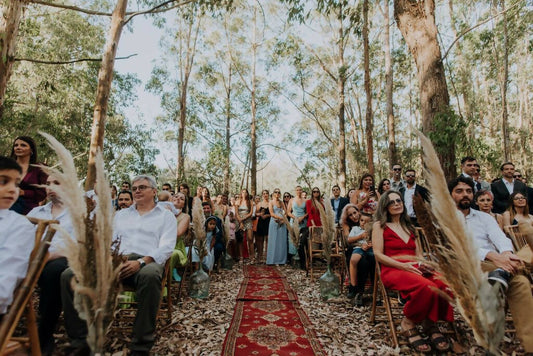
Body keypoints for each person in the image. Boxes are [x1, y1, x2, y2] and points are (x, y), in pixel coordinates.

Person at [61, 175, 177, 355]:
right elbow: (107, 242)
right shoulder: (120, 215)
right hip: (115, 260)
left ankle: (140, 345)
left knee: (151, 275)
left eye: (142, 187)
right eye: (134, 187)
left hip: (146, 261)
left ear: (154, 191)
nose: (137, 190)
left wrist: (140, 262)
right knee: (70, 275)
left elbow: (167, 247)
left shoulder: (166, 216)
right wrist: (109, 259)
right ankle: (80, 341)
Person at [449, 176, 533, 353]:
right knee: (509, 274)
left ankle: (531, 346)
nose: (465, 194)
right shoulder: (444, 217)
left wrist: (507, 255)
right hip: (466, 264)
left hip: (497, 264)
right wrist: (493, 256)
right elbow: (459, 245)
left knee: (521, 284)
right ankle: (490, 345)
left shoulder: (483, 217)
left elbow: (500, 238)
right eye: (459, 191)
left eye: (468, 191)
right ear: (450, 195)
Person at [372, 190, 453, 353]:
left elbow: (419, 256)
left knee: (443, 283)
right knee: (426, 287)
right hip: (393, 268)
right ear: (385, 207)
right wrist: (402, 266)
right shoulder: (379, 226)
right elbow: (378, 254)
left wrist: (424, 265)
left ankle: (430, 322)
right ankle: (408, 322)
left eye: (398, 201)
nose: (396, 204)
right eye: (392, 202)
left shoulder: (411, 227)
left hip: (414, 268)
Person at [27, 175, 75, 354]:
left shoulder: (77, 213)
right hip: (32, 259)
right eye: (47, 184)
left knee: (54, 273)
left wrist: (50, 255)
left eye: (56, 183)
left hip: (61, 259)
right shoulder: (35, 213)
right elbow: (22, 239)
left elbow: (79, 245)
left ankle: (43, 336)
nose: (50, 187)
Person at [0, 156, 35, 316]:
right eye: (3, 182)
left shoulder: (19, 226)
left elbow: (7, 279)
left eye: (16, 183)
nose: (12, 189)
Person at [340, 204, 374, 305]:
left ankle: (368, 289)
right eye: (350, 215)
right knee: (361, 262)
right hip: (353, 249)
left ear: (358, 211)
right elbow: (348, 242)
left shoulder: (366, 220)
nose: (354, 216)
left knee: (371, 260)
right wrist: (360, 242)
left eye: (355, 213)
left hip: (367, 248)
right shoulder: (349, 226)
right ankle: (356, 289)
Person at [9, 136, 47, 214]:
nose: (18, 147)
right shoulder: (6, 165)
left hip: (29, 212)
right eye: (16, 145)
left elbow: (43, 193)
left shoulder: (39, 168)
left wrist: (23, 192)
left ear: (31, 150)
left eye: (23, 145)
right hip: (5, 208)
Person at [169, 192, 190, 281]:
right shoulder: (162, 213)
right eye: (176, 197)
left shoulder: (185, 217)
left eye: (181, 199)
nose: (178, 199)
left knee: (170, 254)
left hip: (177, 248)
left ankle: (163, 286)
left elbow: (177, 233)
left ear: (184, 204)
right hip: (160, 245)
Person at [287, 186, 308, 270]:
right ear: (295, 191)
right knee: (293, 239)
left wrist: (302, 217)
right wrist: (295, 218)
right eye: (297, 190)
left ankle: (302, 259)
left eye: (300, 190)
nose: (299, 191)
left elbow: (307, 212)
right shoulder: (291, 200)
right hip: (294, 220)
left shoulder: (306, 201)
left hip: (303, 222)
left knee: (301, 240)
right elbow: (288, 212)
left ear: (302, 191)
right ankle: (293, 259)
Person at [266, 189, 288, 265]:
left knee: (281, 241)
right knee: (274, 240)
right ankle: (272, 260)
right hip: (274, 222)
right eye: (276, 192)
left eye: (279, 192)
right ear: (273, 193)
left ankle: (281, 260)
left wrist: (283, 219)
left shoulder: (282, 202)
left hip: (282, 223)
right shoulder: (271, 202)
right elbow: (271, 213)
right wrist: (280, 218)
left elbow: (286, 212)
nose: (277, 193)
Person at [236, 189, 254, 262]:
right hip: (240, 221)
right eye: (243, 192)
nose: (244, 193)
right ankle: (241, 257)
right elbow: (236, 213)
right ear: (241, 193)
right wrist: (240, 221)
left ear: (247, 193)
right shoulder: (238, 202)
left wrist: (244, 218)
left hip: (248, 220)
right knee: (241, 239)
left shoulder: (250, 202)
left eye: (245, 192)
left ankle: (252, 257)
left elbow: (251, 213)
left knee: (250, 238)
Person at [255, 190, 270, 263]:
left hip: (268, 222)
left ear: (268, 195)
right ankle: (259, 256)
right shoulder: (259, 204)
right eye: (264, 194)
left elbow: (273, 213)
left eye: (266, 193)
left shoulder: (270, 203)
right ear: (262, 195)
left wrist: (267, 215)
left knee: (267, 239)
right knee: (260, 240)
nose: (265, 195)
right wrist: (260, 214)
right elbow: (255, 213)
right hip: (261, 222)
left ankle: (267, 256)